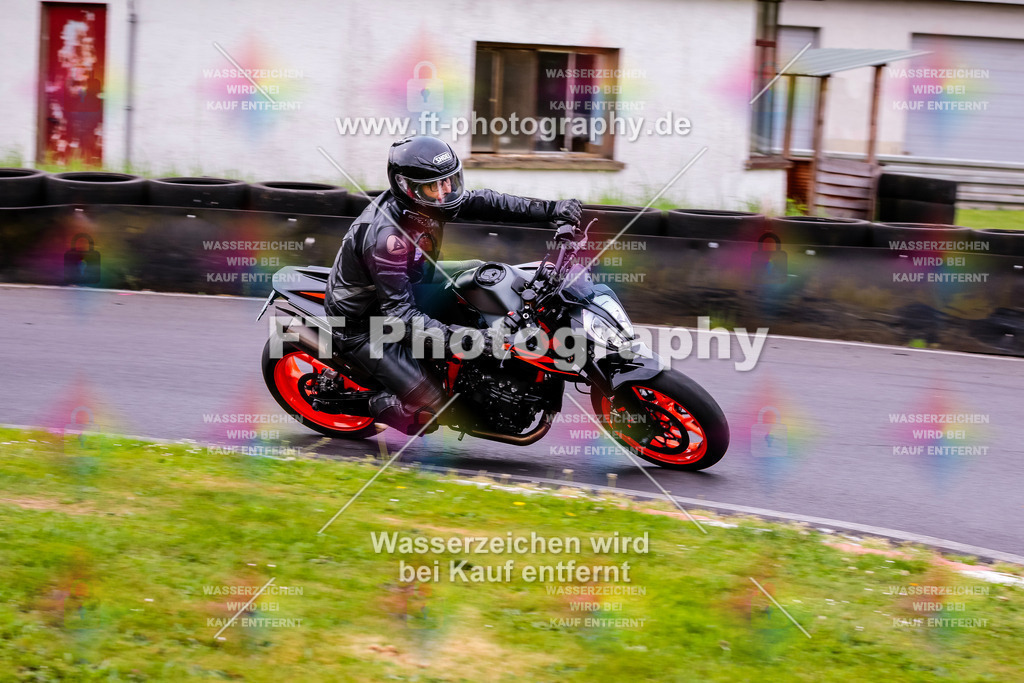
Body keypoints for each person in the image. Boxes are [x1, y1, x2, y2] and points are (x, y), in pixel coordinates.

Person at [325, 135, 582, 435]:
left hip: (413, 278)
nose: (446, 191)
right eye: (436, 185)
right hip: (364, 324)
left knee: (483, 275)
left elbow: (489, 203)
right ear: (407, 187)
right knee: (429, 411)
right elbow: (401, 318)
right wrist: (471, 340)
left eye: (450, 180)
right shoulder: (387, 240)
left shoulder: (433, 202)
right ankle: (368, 403)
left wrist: (552, 210)